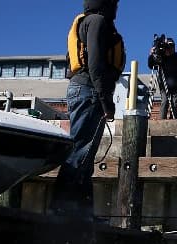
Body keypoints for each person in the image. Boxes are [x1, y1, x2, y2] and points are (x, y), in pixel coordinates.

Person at [52, 0, 125, 220]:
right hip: (89, 91)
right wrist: (106, 101)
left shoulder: (86, 22)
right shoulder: (98, 21)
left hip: (83, 89)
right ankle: (60, 210)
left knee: (85, 155)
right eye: (114, 3)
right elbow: (94, 62)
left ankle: (83, 213)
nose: (117, 8)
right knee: (80, 153)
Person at [147, 37, 177, 119]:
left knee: (174, 103)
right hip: (164, 83)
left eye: (171, 46)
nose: (169, 48)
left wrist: (165, 56)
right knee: (165, 101)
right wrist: (151, 55)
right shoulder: (161, 56)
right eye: (168, 46)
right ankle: (162, 120)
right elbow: (151, 65)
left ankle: (172, 120)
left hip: (176, 84)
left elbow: (175, 66)